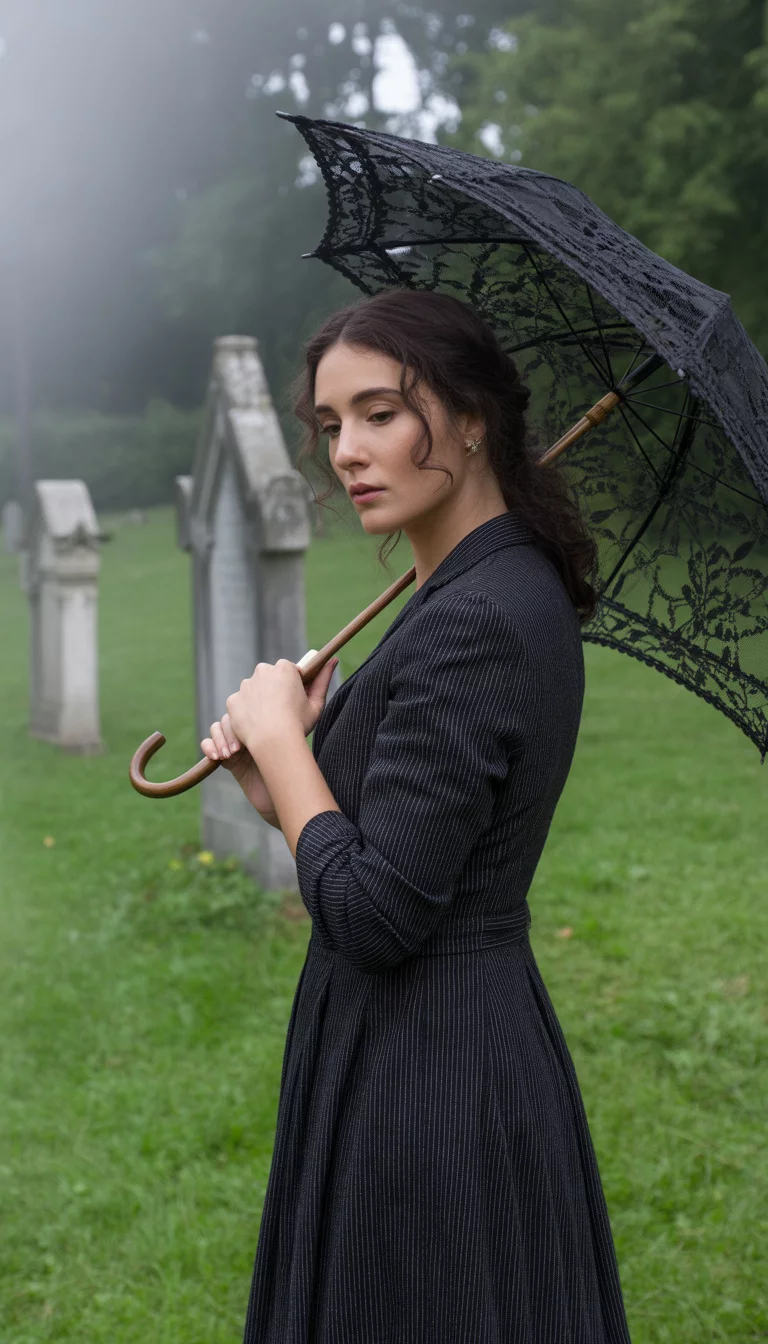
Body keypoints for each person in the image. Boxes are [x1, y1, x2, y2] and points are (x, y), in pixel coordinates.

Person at [200, 289, 632, 1343]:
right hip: (424, 1041)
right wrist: (278, 794)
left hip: (433, 1076)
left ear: (473, 415)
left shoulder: (480, 617)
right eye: (332, 423)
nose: (348, 449)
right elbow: (394, 844)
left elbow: (381, 913)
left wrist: (291, 743)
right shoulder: (473, 589)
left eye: (382, 412)